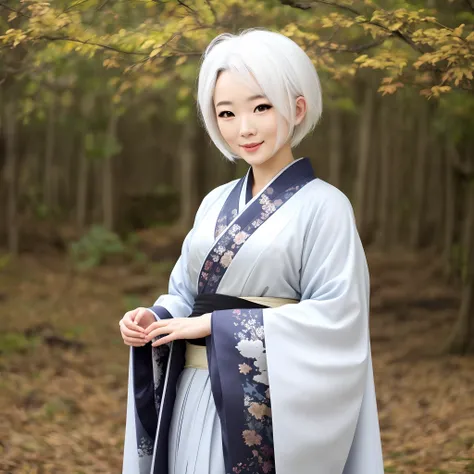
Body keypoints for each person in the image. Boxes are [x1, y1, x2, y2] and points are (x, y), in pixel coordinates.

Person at [120, 28, 384, 474]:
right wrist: (156, 318)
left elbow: (338, 317)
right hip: (192, 392)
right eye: (226, 113)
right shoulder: (213, 203)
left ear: (297, 108)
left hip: (271, 405)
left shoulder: (326, 206)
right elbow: (184, 292)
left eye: (261, 107)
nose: (244, 128)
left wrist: (217, 325)